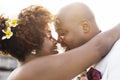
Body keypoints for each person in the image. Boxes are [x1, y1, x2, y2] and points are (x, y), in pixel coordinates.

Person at [0, 5, 120, 80]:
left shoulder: (24, 71)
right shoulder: (32, 70)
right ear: (33, 44)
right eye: (48, 35)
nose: (56, 40)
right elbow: (97, 47)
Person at [55, 2, 120, 80]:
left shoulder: (117, 53)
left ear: (85, 27)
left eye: (63, 33)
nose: (58, 40)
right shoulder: (77, 69)